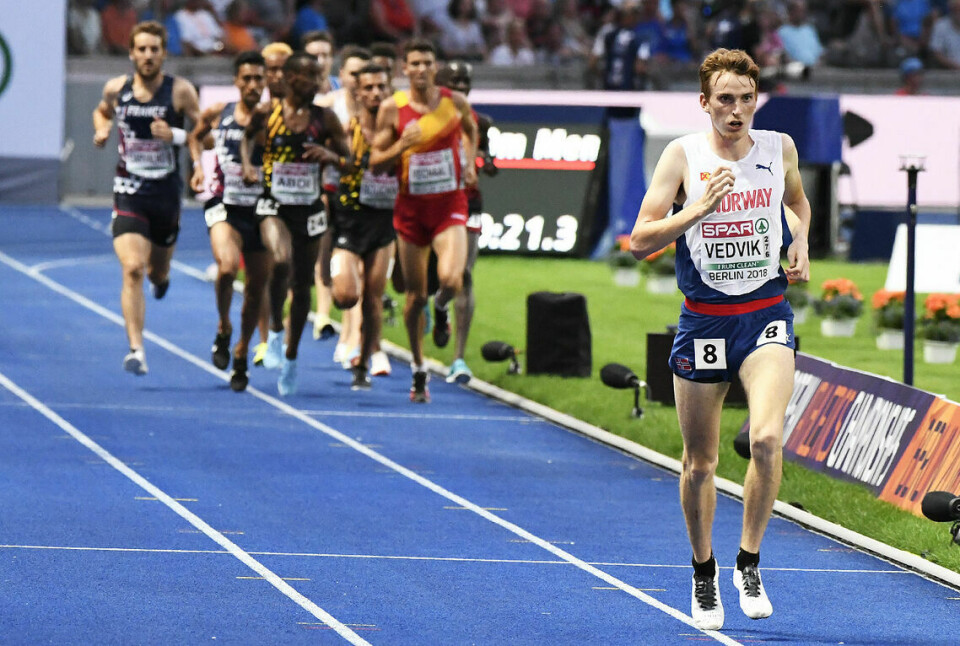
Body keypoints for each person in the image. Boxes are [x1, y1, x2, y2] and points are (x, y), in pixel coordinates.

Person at [629, 48, 811, 630]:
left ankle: (749, 561)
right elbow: (638, 239)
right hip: (703, 320)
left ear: (757, 99)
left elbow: (797, 202)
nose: (736, 110)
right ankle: (703, 572)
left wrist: (800, 240)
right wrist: (697, 210)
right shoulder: (682, 155)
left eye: (745, 98)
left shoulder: (778, 147)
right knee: (700, 464)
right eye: (724, 100)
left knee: (765, 439)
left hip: (765, 315)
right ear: (704, 103)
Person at [370, 39, 478, 403]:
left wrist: (469, 162)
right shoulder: (391, 109)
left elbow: (470, 129)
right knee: (414, 296)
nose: (419, 69)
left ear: (435, 66)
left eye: (426, 62)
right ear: (405, 68)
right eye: (413, 63)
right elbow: (375, 161)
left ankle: (443, 306)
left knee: (451, 278)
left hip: (449, 204)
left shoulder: (453, 103)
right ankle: (419, 368)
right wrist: (401, 146)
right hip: (411, 211)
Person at [92, 20, 202, 376]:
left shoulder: (180, 91)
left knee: (156, 272)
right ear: (132, 53)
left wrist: (177, 135)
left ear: (164, 53)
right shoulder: (116, 88)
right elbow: (101, 110)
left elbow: (207, 135)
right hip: (129, 191)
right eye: (142, 49)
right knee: (133, 269)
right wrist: (102, 128)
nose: (148, 55)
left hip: (166, 194)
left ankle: (163, 278)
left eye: (155, 49)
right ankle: (136, 349)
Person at [241, 52, 350, 396]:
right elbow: (245, 139)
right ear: (289, 78)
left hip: (310, 209)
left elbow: (349, 161)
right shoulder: (268, 114)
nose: (314, 81)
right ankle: (274, 330)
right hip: (275, 204)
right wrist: (248, 165)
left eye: (317, 75)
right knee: (280, 260)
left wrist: (332, 156)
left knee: (303, 286)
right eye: (305, 75)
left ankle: (290, 356)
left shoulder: (325, 118)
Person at [188, 51, 270, 392]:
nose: (252, 85)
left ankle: (241, 350)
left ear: (265, 82)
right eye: (246, 78)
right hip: (224, 204)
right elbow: (195, 136)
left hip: (261, 209)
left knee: (255, 289)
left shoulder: (273, 118)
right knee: (225, 268)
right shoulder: (218, 112)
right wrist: (197, 166)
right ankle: (224, 327)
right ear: (237, 81)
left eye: (258, 79)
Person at [330, 64, 400, 390]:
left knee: (373, 296)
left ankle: (364, 361)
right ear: (358, 93)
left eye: (380, 87)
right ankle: (352, 338)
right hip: (349, 218)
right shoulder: (347, 130)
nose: (374, 93)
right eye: (368, 87)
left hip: (382, 221)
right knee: (346, 296)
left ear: (389, 91)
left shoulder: (401, 131)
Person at [435, 60, 498, 384]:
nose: (460, 87)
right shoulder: (427, 118)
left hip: (467, 203)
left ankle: (458, 359)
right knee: (420, 281)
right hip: (430, 203)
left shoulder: (480, 122)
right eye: (453, 81)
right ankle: (438, 307)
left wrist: (486, 164)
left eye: (465, 82)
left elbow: (489, 160)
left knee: (465, 275)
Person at [252, 41, 293, 369]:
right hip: (262, 200)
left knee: (296, 274)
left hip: (300, 201)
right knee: (269, 268)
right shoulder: (257, 111)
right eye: (272, 70)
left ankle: (285, 336)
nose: (278, 76)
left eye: (284, 69)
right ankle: (268, 340)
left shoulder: (311, 110)